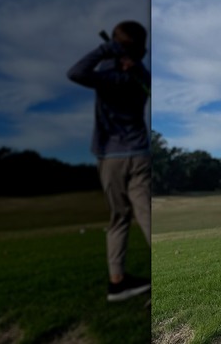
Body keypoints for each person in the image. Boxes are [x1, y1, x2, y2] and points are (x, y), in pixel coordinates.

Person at [67, 20, 152, 302]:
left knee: (119, 219)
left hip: (111, 157)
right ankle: (122, 283)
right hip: (138, 154)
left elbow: (75, 72)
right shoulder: (140, 75)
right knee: (146, 215)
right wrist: (121, 55)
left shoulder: (109, 74)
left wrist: (105, 50)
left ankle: (117, 282)